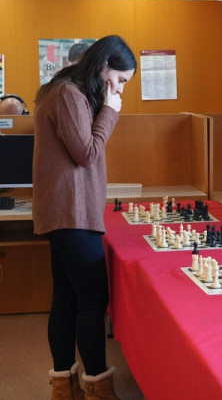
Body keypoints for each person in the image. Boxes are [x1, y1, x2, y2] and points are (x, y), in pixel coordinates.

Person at [33, 35, 136, 400]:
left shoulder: (60, 91)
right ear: (103, 65)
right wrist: (110, 110)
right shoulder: (69, 94)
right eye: (119, 79)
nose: (119, 88)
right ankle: (97, 387)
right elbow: (86, 154)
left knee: (67, 299)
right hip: (72, 213)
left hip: (64, 212)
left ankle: (65, 386)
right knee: (92, 301)